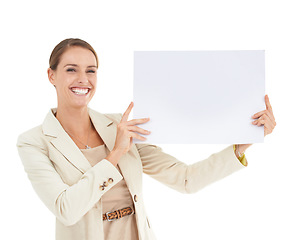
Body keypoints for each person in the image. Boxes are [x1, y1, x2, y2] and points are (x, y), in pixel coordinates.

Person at [16, 38, 276, 240]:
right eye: (71, 70)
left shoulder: (120, 125)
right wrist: (115, 153)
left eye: (91, 71)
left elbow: (186, 179)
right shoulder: (34, 141)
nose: (83, 79)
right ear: (51, 75)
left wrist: (243, 144)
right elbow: (67, 210)